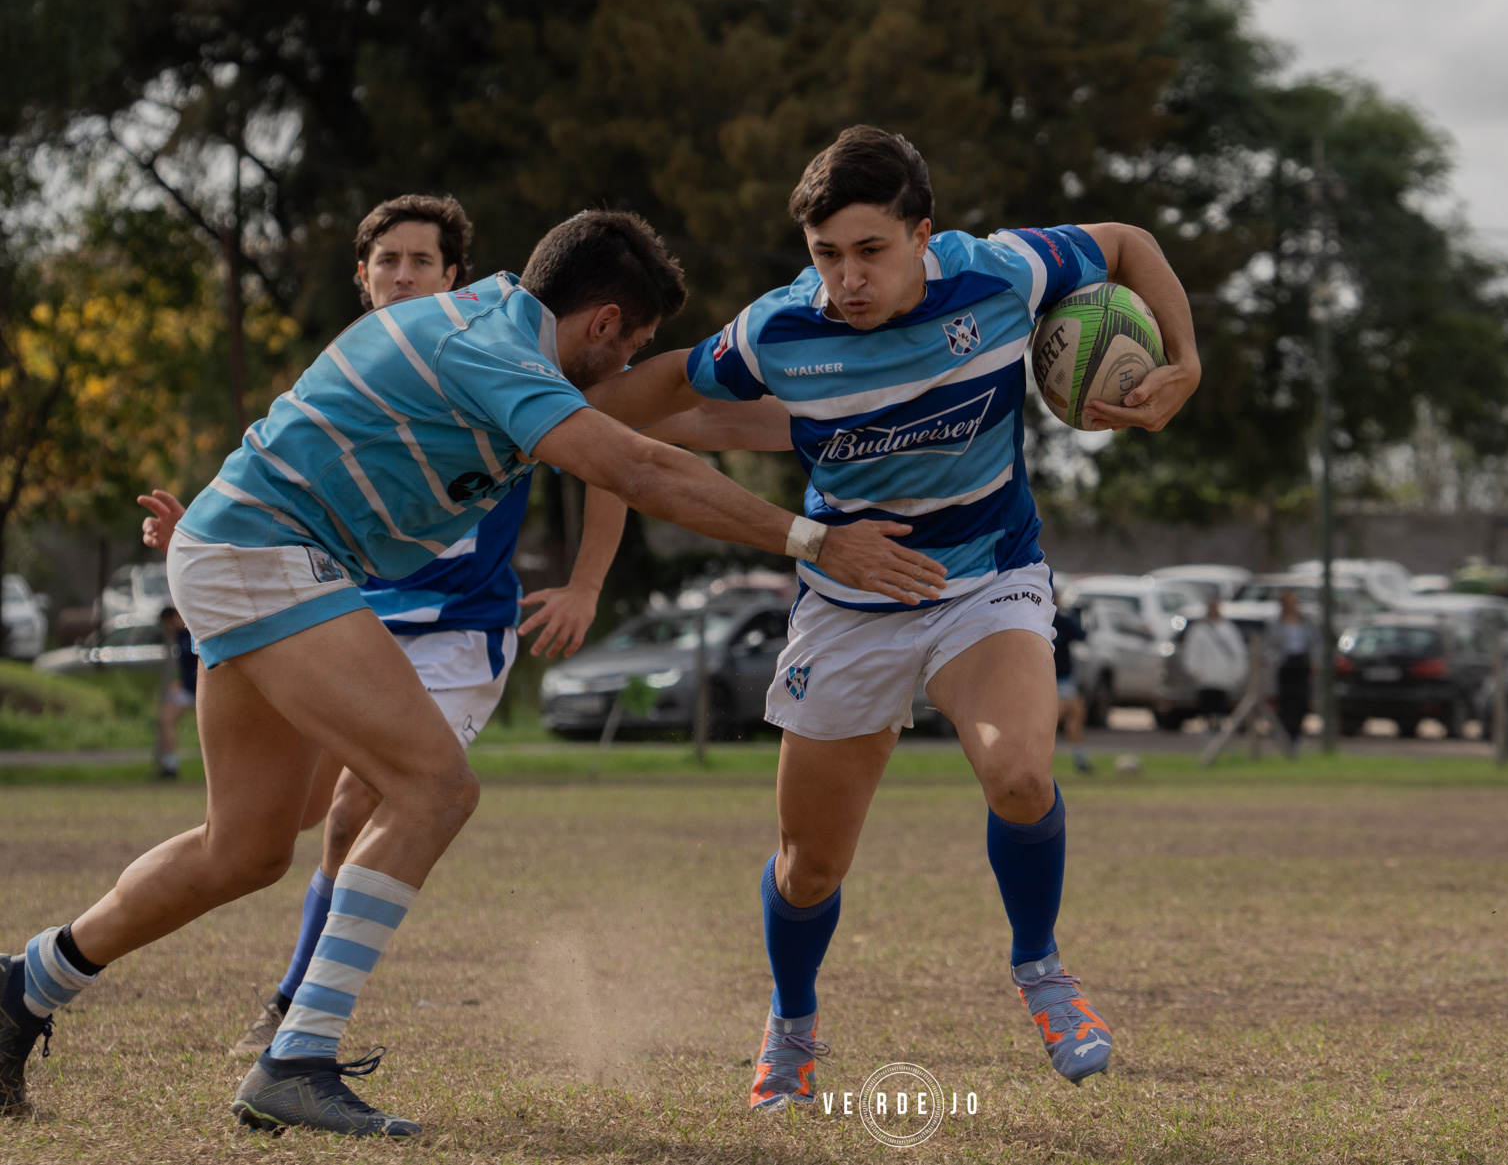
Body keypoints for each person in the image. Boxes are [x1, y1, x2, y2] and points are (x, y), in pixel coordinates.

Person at [0, 207, 942, 1135]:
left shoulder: (494, 329)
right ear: (603, 323)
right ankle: (297, 1056)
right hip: (266, 556)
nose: (624, 369)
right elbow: (640, 470)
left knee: (243, 848)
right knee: (433, 787)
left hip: (242, 552)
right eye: (631, 346)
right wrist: (815, 540)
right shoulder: (493, 349)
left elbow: (687, 427)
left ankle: (22, 986)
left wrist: (883, 409)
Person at [584, 126, 1201, 1105]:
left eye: (871, 251)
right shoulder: (779, 332)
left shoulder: (1000, 274)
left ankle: (1042, 969)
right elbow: (637, 398)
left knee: (1019, 769)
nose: (846, 279)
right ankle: (791, 1022)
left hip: (987, 574)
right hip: (848, 601)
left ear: (924, 235)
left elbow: (1125, 241)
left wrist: (1186, 362)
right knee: (809, 866)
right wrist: (533, 414)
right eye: (826, 254)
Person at [133, 194, 625, 1060]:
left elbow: (615, 457)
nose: (404, 274)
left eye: (422, 262)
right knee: (271, 829)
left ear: (454, 279)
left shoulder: (500, 358)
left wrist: (584, 584)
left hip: (455, 629)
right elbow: (284, 474)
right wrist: (199, 537)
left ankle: (294, 1019)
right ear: (362, 279)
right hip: (342, 613)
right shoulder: (360, 368)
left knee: (377, 792)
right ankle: (47, 975)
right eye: (387, 261)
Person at [1182, 596, 1248, 722]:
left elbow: (1239, 653)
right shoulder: (1198, 630)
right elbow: (1192, 651)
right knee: (1206, 706)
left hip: (1223, 677)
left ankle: (1217, 726)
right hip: (1205, 678)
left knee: (1220, 707)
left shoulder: (1229, 629)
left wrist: (1238, 673)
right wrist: (1193, 670)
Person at [153, 606, 198, 780]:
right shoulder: (179, 637)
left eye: (167, 624)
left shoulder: (193, 632)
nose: (166, 629)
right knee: (165, 718)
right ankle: (170, 767)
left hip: (202, 690)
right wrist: (181, 683)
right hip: (188, 690)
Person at [1274, 591, 1315, 741]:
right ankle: (1287, 733)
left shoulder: (1306, 622)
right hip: (1285, 663)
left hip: (1302, 662)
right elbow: (1270, 644)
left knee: (1301, 699)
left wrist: (1314, 660)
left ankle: (1296, 730)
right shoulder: (1276, 623)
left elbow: (1316, 642)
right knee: (1287, 700)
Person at [1051, 598, 1087, 744]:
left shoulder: (1060, 621)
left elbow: (1081, 636)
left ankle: (1079, 756)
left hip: (1061, 678)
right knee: (1058, 716)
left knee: (1076, 713)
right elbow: (1082, 635)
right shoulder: (1059, 621)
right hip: (1056, 678)